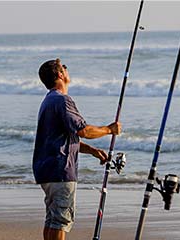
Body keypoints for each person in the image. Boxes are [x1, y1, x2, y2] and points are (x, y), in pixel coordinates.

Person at [32, 58, 121, 240]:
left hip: (46, 170)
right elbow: (84, 130)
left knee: (52, 219)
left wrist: (92, 151)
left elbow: (61, 139)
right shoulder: (63, 101)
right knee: (61, 221)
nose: (67, 70)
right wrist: (109, 129)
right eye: (64, 68)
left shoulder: (48, 101)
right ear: (60, 74)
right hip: (60, 171)